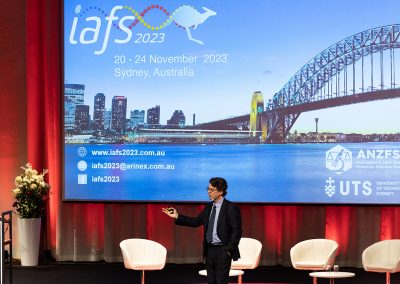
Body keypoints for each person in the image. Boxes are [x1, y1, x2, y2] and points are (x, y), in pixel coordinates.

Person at [162, 177, 242, 284]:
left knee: (221, 282)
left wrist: (228, 250)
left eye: (212, 190)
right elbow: (195, 222)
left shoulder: (230, 208)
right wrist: (177, 216)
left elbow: (237, 231)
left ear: (220, 191)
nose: (208, 192)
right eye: (208, 189)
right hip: (209, 250)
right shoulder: (208, 207)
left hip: (223, 251)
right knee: (211, 281)